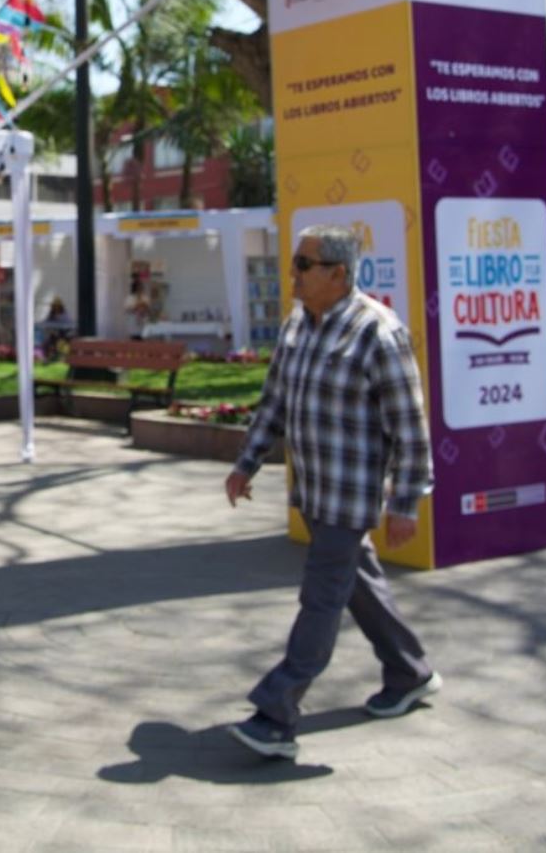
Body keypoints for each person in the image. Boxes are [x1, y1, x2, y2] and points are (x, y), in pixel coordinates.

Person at [223, 226, 438, 760]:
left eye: (303, 263)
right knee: (358, 584)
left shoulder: (378, 333)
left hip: (350, 497)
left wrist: (405, 503)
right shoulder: (299, 325)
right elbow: (275, 401)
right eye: (294, 261)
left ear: (339, 274)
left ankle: (276, 713)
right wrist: (246, 464)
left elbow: (410, 428)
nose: (291, 272)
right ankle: (410, 672)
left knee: (321, 598)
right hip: (314, 493)